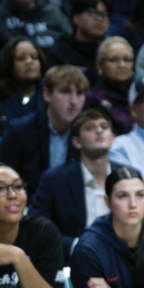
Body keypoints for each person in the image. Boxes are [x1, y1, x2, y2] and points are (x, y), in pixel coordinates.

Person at [27, 106, 113, 256]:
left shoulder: (128, 177)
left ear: (112, 138)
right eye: (90, 128)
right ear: (77, 142)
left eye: (104, 127)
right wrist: (76, 246)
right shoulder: (55, 180)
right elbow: (36, 229)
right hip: (72, 262)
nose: (99, 131)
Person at [0, 63, 85, 197]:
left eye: (79, 93)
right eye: (66, 91)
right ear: (47, 95)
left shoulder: (86, 134)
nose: (74, 101)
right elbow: (4, 181)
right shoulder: (20, 131)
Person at [0, 37, 44, 155]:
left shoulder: (48, 91)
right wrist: (20, 143)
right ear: (8, 65)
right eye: (21, 58)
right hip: (4, 158)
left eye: (34, 57)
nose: (29, 61)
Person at [45, 0, 109, 79]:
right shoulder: (60, 53)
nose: (100, 19)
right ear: (76, 18)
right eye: (92, 12)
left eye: (104, 14)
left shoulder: (110, 53)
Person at [85, 37, 135, 135]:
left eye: (127, 59)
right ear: (99, 65)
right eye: (114, 60)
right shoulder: (92, 99)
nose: (122, 65)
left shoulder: (140, 96)